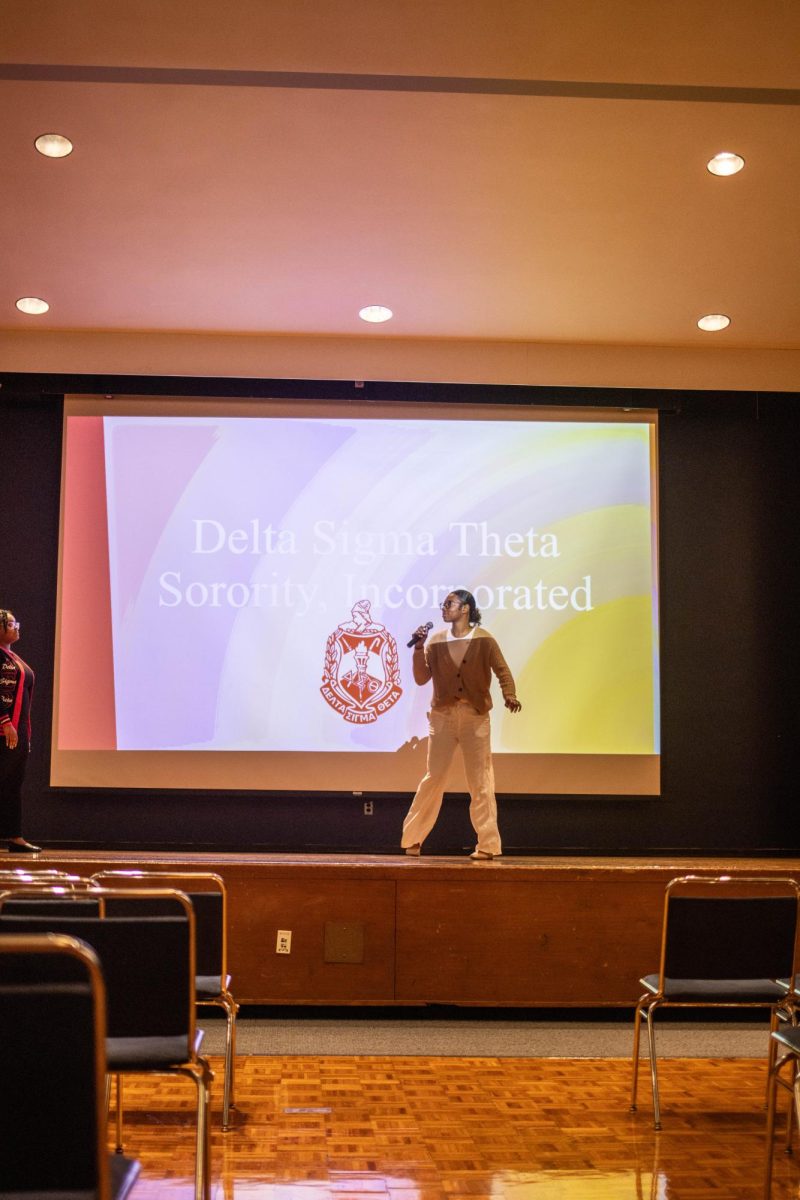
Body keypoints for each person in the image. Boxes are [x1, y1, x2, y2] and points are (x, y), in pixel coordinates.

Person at [401, 589, 522, 860]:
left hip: (474, 716)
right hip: (442, 716)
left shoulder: (484, 639)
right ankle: (413, 839)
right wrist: (419, 647)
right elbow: (422, 679)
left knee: (480, 779)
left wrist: (509, 694)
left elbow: (502, 670)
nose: (444, 608)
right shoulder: (435, 641)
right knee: (434, 777)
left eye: (450, 604)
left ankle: (488, 845)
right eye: (443, 604)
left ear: (466, 608)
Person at [0, 609, 41, 853]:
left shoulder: (11, 656)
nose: (17, 627)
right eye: (12, 624)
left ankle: (14, 836)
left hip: (18, 730)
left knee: (12, 783)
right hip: (4, 730)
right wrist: (5, 722)